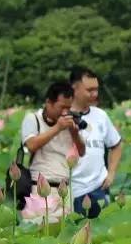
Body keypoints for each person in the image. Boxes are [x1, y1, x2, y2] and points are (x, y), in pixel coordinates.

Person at [25, 68, 123, 218]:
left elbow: (116, 145)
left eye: (96, 89)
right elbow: (31, 145)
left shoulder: (101, 116)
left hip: (98, 188)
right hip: (67, 189)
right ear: (74, 89)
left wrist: (111, 174)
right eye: (90, 90)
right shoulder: (57, 115)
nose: (95, 94)